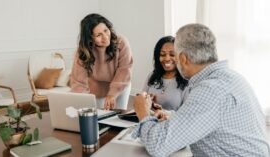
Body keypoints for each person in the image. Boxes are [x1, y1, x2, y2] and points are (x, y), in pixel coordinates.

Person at [132, 23, 270, 156]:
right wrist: (173, 117)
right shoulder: (232, 77)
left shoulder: (209, 90)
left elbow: (157, 146)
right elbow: (210, 118)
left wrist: (143, 112)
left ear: (183, 58)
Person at [70, 13, 133, 110]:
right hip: (96, 90)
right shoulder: (82, 52)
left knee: (119, 117)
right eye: (99, 35)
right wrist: (83, 102)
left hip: (120, 85)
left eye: (106, 30)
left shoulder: (122, 42)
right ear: (90, 38)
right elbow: (78, 82)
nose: (105, 37)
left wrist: (112, 94)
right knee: (99, 118)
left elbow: (124, 70)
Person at [143, 36, 188, 111]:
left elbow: (186, 115)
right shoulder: (152, 76)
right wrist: (147, 103)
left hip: (172, 122)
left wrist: (161, 112)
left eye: (172, 55)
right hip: (149, 121)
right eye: (162, 55)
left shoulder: (187, 81)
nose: (167, 59)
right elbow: (142, 103)